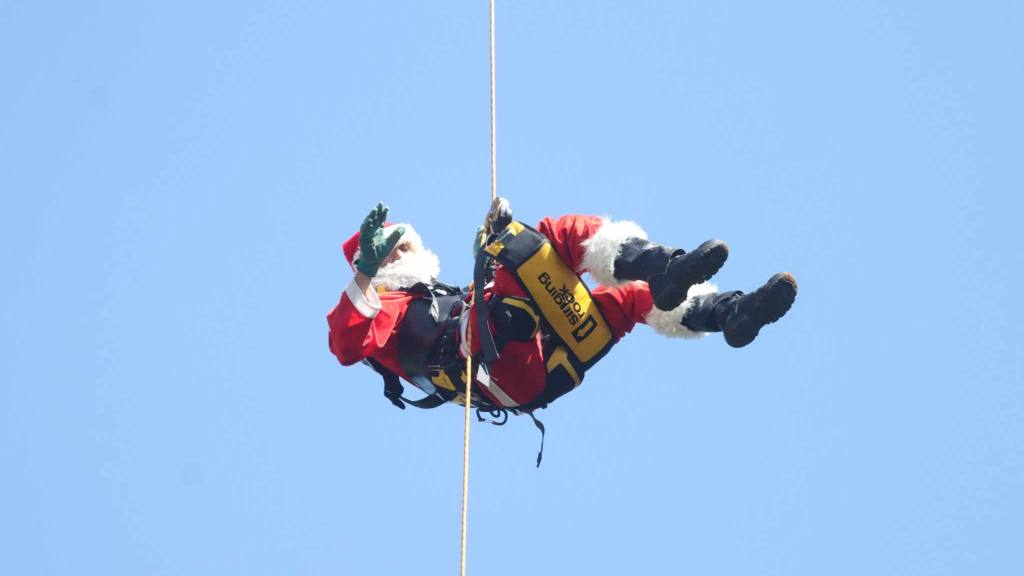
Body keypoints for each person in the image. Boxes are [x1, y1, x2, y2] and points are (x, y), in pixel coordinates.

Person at [327, 201, 797, 414]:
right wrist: (364, 274)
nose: (398, 256)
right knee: (537, 238)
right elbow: (345, 344)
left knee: (630, 299)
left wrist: (484, 270)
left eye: (401, 247)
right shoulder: (384, 304)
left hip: (549, 358)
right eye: (390, 253)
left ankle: (728, 312)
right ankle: (663, 269)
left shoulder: (440, 296)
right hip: (498, 363)